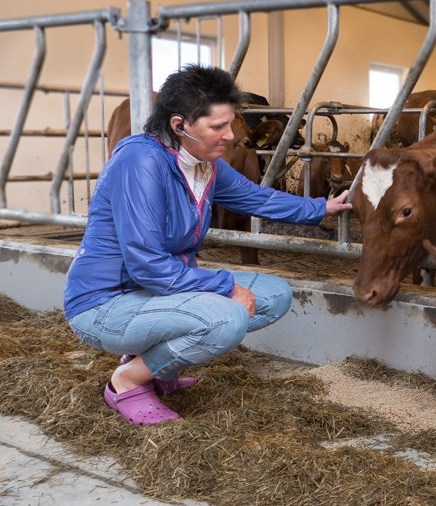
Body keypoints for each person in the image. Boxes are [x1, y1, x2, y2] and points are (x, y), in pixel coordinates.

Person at [63, 65, 352, 426]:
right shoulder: (140, 162)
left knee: (274, 293)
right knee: (226, 317)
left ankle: (154, 365)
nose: (230, 136)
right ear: (179, 125)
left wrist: (320, 207)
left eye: (230, 124)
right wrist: (226, 287)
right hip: (106, 303)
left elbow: (255, 198)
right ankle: (127, 381)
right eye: (218, 127)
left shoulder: (204, 164)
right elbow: (147, 264)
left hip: (158, 294)